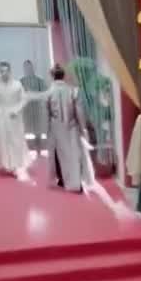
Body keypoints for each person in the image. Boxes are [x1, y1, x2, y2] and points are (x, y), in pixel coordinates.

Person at [44, 64, 94, 192]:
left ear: (52, 76)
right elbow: (79, 111)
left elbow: (46, 113)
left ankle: (62, 179)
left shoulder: (48, 93)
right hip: (71, 126)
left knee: (58, 153)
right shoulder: (73, 91)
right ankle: (76, 181)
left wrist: (47, 130)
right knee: (74, 154)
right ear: (64, 76)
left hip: (56, 127)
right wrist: (83, 128)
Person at [0, 61, 30, 176]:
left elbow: (24, 99)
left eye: (6, 71)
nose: (4, 73)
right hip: (1, 115)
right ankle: (6, 164)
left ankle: (16, 164)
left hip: (14, 116)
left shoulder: (17, 84)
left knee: (16, 139)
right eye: (2, 71)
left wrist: (17, 109)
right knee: (3, 140)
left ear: (10, 71)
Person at [20, 60, 49, 147]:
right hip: (26, 109)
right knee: (24, 130)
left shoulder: (39, 81)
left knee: (38, 131)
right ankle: (25, 150)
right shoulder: (20, 81)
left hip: (37, 109)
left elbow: (45, 94)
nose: (28, 69)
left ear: (32, 68)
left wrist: (34, 94)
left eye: (29, 67)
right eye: (26, 67)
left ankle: (39, 150)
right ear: (24, 69)